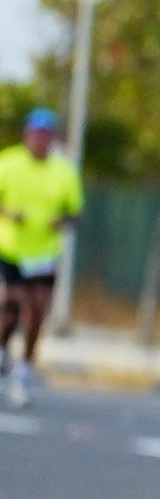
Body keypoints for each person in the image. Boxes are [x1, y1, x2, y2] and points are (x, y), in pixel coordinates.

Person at [0, 109, 81, 407]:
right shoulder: (8, 163)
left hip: (44, 253)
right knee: (9, 303)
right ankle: (2, 348)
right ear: (26, 135)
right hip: (10, 248)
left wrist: (62, 222)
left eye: (46, 135)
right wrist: (9, 213)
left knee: (37, 309)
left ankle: (25, 368)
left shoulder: (64, 172)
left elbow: (76, 213)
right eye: (36, 134)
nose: (40, 140)